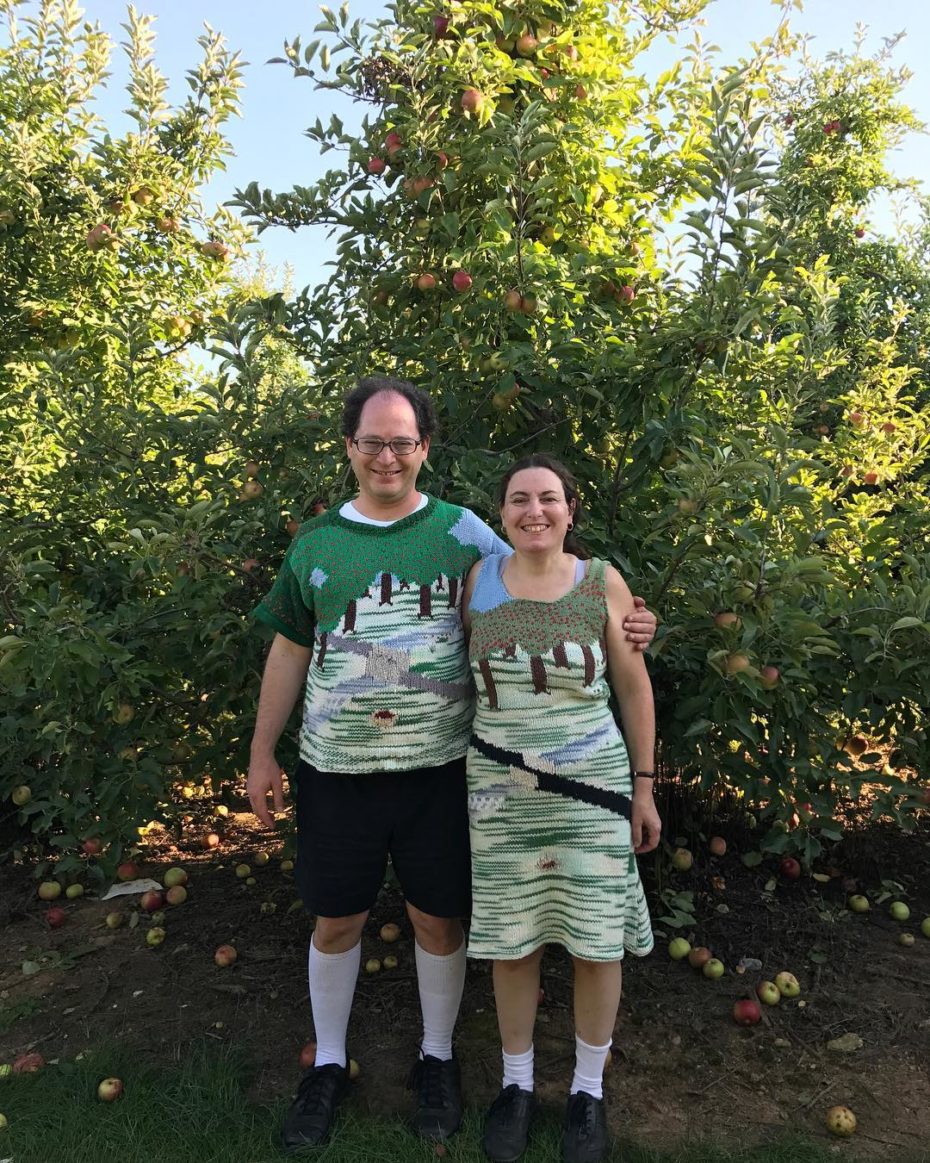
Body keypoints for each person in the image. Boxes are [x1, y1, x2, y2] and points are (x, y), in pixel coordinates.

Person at [247, 377, 657, 1153]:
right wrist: (262, 750)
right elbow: (291, 646)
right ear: (350, 447)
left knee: (439, 918)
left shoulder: (466, 533)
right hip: (336, 770)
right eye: (373, 441)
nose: (388, 456)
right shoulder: (316, 543)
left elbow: (542, 578)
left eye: (402, 441)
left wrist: (629, 619)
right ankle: (328, 1064)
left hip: (441, 771)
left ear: (424, 448)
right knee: (336, 919)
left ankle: (438, 1059)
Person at [461, 453, 661, 1163]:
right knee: (512, 941)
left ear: (571, 510)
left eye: (548, 498)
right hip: (499, 793)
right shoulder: (478, 580)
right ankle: (515, 1086)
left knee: (595, 943)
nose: (534, 511)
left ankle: (587, 1092)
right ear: (502, 513)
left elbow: (633, 688)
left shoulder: (602, 581)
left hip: (592, 792)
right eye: (519, 499)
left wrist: (643, 787)